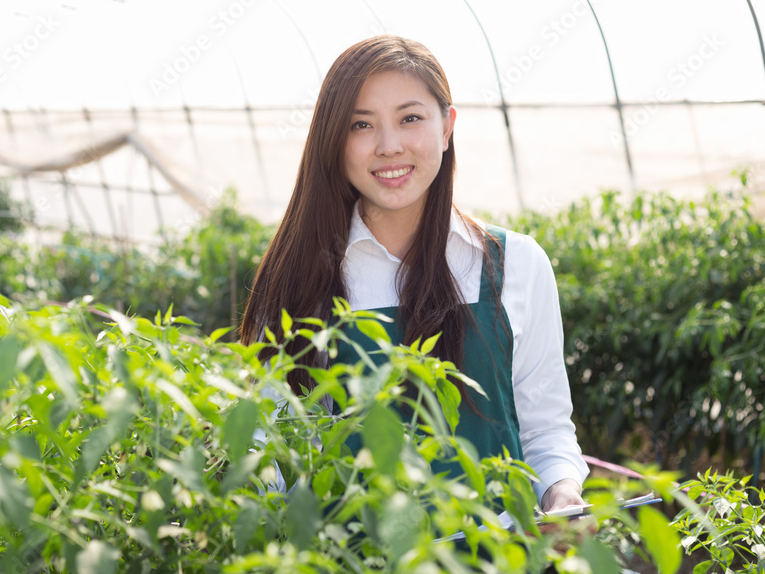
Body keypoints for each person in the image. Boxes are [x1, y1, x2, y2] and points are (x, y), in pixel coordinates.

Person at [241, 34, 588, 513]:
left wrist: (563, 494)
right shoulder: (299, 278)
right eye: (361, 125)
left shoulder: (517, 265)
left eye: (410, 119)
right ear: (335, 142)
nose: (389, 146)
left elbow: (545, 429)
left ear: (447, 128)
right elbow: (270, 454)